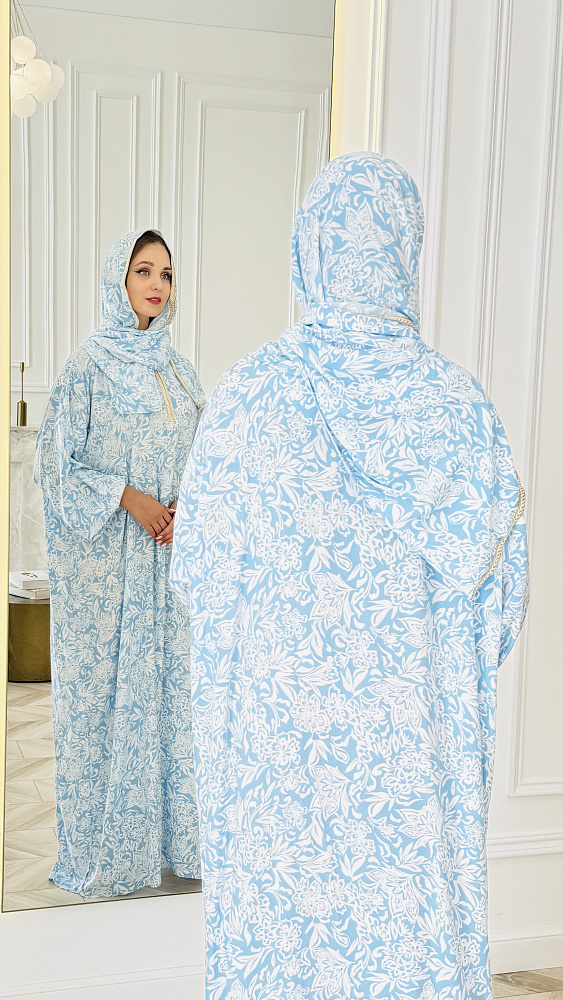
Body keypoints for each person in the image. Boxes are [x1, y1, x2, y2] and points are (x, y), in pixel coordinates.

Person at [170, 154, 529, 999]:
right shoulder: (459, 405)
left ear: (309, 248)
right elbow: (501, 603)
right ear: (405, 247)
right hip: (410, 766)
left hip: (278, 759)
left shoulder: (249, 395)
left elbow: (198, 578)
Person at [34, 229, 205, 898]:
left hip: (168, 571)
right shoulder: (87, 366)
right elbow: (56, 468)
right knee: (104, 707)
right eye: (143, 271)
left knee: (171, 701)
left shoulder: (179, 372)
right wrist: (129, 498)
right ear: (118, 280)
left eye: (166, 273)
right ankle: (106, 850)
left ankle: (174, 845)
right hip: (107, 576)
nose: (157, 284)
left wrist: (185, 510)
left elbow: (205, 461)